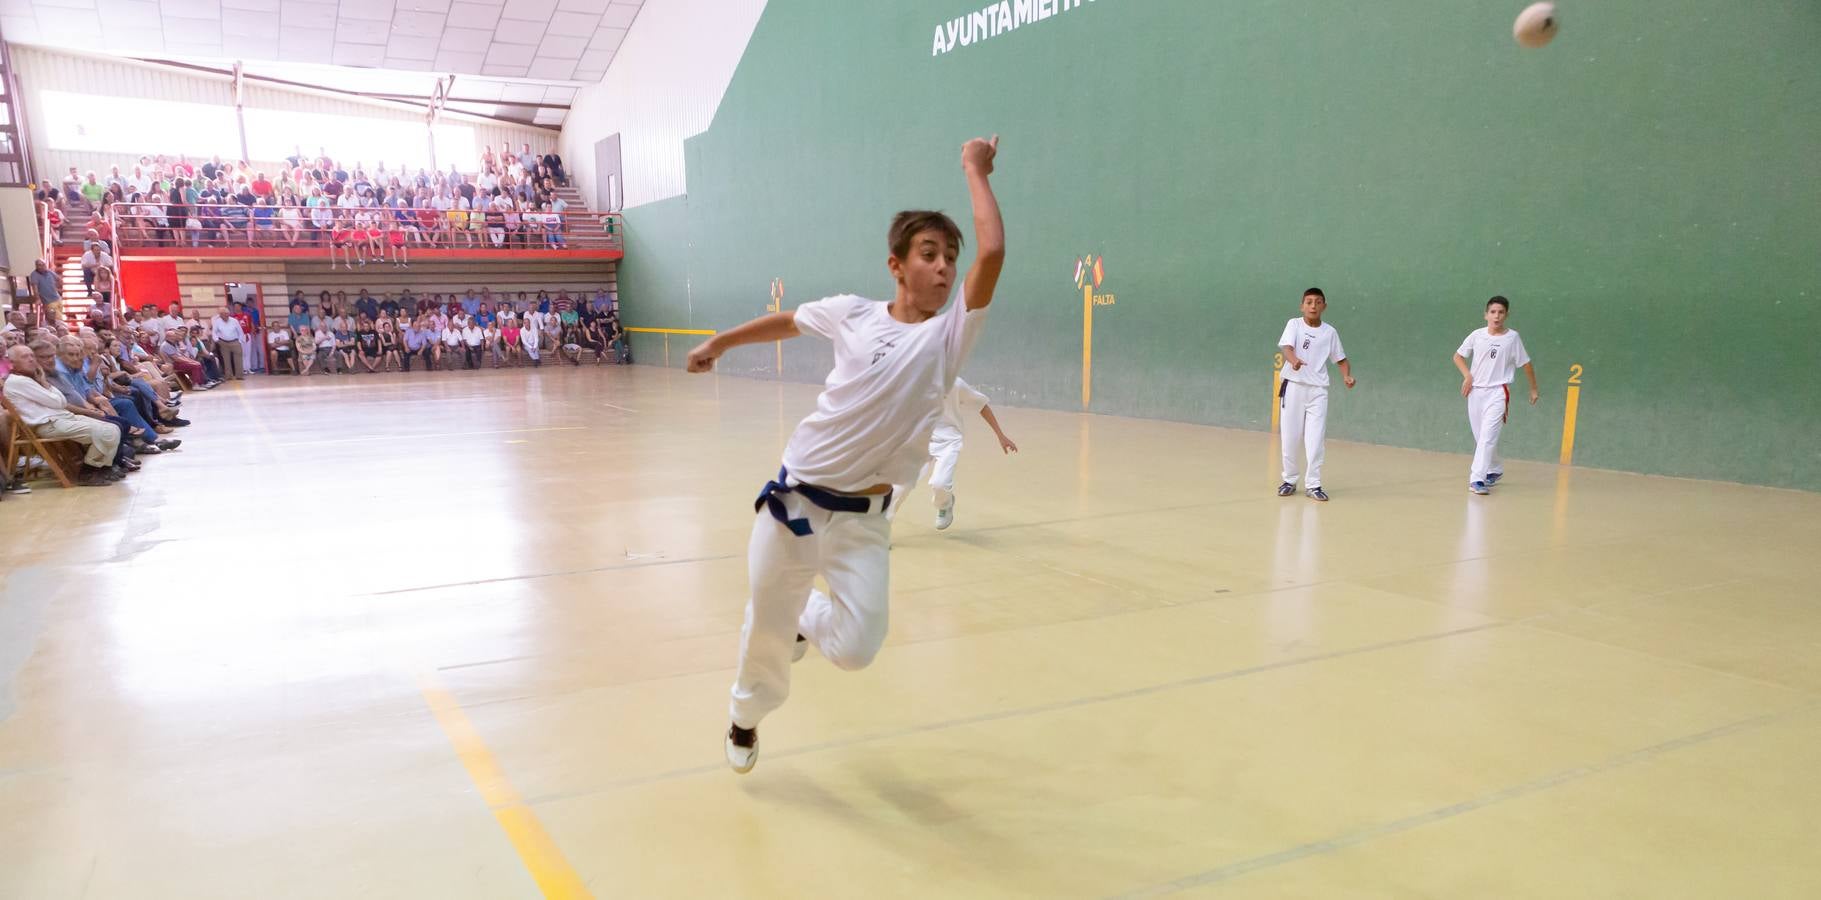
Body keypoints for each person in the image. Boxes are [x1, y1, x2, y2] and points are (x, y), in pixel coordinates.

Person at [685, 136, 1003, 773]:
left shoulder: (950, 335)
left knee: (858, 646)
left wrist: (972, 168)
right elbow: (787, 322)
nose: (943, 268)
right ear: (896, 265)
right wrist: (720, 343)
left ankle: (805, 614)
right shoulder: (852, 313)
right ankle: (745, 718)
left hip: (863, 520)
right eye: (929, 255)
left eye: (949, 258)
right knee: (764, 634)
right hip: (794, 500)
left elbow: (992, 250)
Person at [887, 377, 1018, 530]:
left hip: (949, 442)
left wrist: (1000, 436)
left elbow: (982, 405)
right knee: (901, 486)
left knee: (939, 483)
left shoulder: (956, 384)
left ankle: (944, 504)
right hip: (922, 440)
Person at [4, 345, 127, 485]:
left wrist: (43, 382)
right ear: (12, 362)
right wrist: (44, 382)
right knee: (106, 432)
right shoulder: (18, 381)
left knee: (114, 428)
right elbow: (58, 402)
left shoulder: (31, 378)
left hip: (61, 418)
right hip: (47, 424)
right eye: (25, 357)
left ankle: (103, 468)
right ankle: (88, 472)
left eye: (32, 355)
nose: (31, 359)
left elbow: (60, 400)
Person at [1275, 287, 1354, 502]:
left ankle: (1314, 484)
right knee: (1290, 437)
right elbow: (1287, 348)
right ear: (1302, 306)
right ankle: (1289, 480)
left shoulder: (1330, 332)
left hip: (1318, 391)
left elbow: (1341, 359)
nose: (1313, 306)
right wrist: (1293, 361)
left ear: (1324, 307)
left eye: (1318, 302)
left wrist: (1347, 376)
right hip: (1293, 386)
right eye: (1309, 302)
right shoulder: (1294, 324)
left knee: (1315, 440)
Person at [1454, 295, 1539, 494]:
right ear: (1486, 315)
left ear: (1507, 315)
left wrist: (1533, 388)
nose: (1497, 316)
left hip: (1498, 393)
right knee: (1480, 437)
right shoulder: (1477, 335)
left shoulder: (1513, 338)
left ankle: (1477, 480)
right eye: (1493, 312)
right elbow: (1458, 356)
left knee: (1487, 438)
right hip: (1475, 392)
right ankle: (1495, 469)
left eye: (1501, 312)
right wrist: (1468, 376)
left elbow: (1525, 364)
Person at [211, 308, 246, 380]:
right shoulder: (217, 322)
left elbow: (240, 332)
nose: (226, 316)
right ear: (220, 315)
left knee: (238, 358)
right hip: (223, 342)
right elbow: (214, 332)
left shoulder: (234, 321)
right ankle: (229, 376)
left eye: (227, 314)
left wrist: (240, 341)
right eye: (223, 315)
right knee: (226, 360)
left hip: (235, 341)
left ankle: (239, 375)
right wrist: (217, 340)